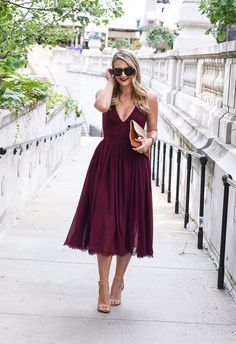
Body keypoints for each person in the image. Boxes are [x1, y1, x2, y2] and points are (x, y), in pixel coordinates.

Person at [64, 49, 158, 313]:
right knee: (105, 223)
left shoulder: (148, 98)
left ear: (135, 70)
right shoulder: (105, 94)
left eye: (128, 70)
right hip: (106, 164)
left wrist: (149, 141)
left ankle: (118, 282)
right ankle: (103, 285)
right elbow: (102, 107)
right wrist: (109, 81)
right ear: (112, 72)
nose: (124, 75)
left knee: (128, 224)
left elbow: (153, 128)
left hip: (134, 165)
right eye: (118, 71)